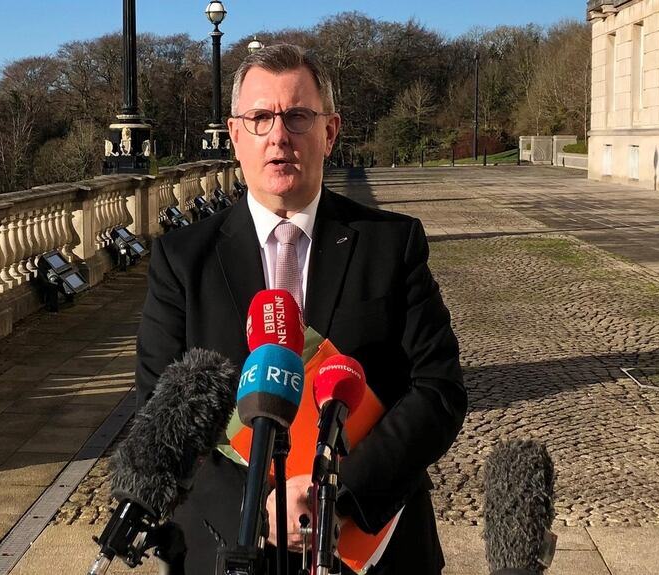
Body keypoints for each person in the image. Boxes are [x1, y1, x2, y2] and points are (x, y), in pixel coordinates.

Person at [135, 44, 466, 574]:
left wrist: (337, 496)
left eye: (297, 116)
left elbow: (439, 390)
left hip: (370, 542)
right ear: (235, 134)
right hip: (224, 545)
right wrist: (258, 508)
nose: (278, 135)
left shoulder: (392, 243)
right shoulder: (182, 259)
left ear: (330, 132)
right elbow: (158, 411)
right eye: (260, 117)